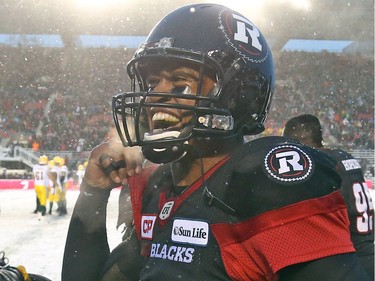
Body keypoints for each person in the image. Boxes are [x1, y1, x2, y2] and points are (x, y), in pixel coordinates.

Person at [62, 4, 371, 281]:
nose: (154, 96)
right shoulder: (158, 187)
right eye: (152, 82)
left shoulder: (261, 180)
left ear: (238, 96)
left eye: (180, 83)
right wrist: (93, 192)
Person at [283, 113, 374, 279]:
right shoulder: (344, 157)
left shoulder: (315, 164)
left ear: (294, 141)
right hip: (367, 252)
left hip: (345, 262)